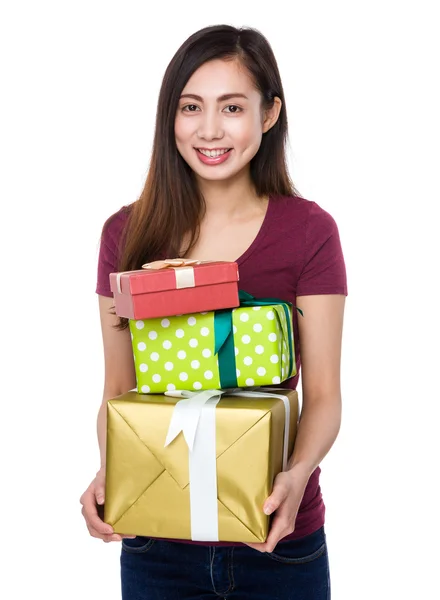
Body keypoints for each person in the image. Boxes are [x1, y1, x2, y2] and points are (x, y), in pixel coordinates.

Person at [80, 23, 347, 600]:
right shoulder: (125, 236)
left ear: (269, 113)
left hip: (279, 542)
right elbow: (118, 390)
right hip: (158, 545)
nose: (209, 129)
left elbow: (324, 395)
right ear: (168, 117)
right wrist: (114, 473)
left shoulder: (308, 233)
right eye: (190, 107)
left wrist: (296, 478)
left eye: (232, 107)